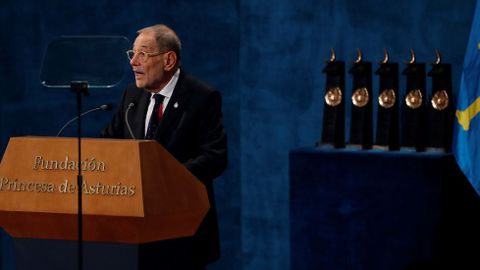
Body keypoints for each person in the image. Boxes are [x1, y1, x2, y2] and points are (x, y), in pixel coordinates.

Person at [102, 24, 227, 269]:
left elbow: (215, 157)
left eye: (143, 54)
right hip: (134, 232)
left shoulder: (201, 97)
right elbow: (111, 142)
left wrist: (164, 179)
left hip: (182, 231)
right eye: (132, 54)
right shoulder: (131, 96)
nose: (133, 62)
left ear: (169, 60)